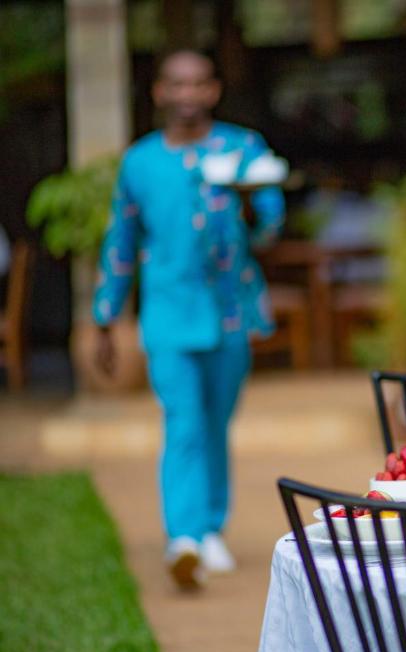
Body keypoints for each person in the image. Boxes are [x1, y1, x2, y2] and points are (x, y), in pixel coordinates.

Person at [93, 49, 284, 589]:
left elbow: (270, 229)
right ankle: (184, 535)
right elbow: (121, 242)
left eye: (199, 84)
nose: (188, 95)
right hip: (168, 313)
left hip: (231, 312)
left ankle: (210, 527)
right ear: (158, 92)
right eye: (177, 84)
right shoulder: (140, 162)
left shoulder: (243, 149)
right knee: (183, 420)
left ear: (214, 91)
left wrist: (247, 201)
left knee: (216, 420)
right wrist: (105, 319)